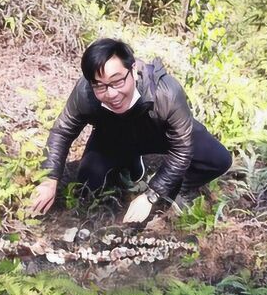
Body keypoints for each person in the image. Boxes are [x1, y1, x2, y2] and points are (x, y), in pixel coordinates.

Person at [29, 38, 232, 222]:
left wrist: (151, 194)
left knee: (219, 159)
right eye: (99, 85)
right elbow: (62, 131)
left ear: (133, 70)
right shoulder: (85, 92)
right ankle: (130, 164)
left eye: (118, 81)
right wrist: (50, 179)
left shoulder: (166, 93)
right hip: (114, 133)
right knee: (88, 181)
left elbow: (182, 149)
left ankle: (181, 189)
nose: (112, 93)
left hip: (160, 134)